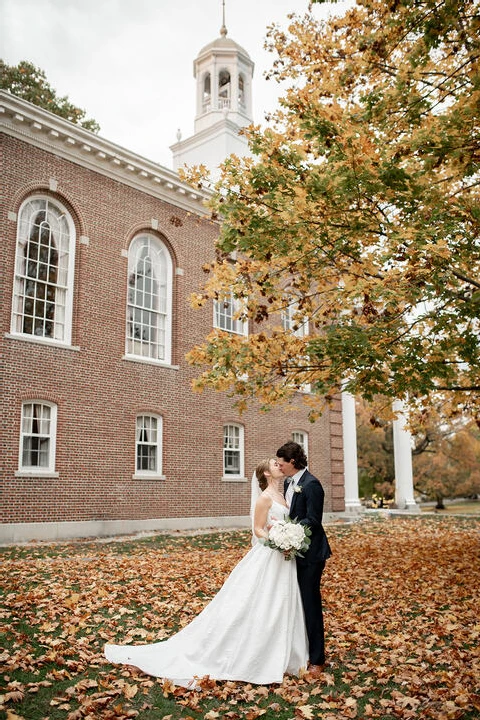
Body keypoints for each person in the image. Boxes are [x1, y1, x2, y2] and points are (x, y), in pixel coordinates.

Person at [104, 458, 308, 687]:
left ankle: (283, 653)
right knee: (259, 603)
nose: (279, 465)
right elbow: (258, 530)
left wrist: (290, 536)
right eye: (274, 464)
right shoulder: (264, 498)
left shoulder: (284, 495)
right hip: (270, 555)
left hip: (285, 559)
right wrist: (276, 541)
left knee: (281, 602)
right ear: (266, 474)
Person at [276, 441, 332, 678]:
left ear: (292, 462)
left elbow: (313, 520)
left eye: (281, 462)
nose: (279, 466)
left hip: (311, 554)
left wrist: (287, 530)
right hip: (292, 551)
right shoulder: (289, 482)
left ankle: (318, 659)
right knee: (294, 602)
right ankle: (298, 649)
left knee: (310, 603)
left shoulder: (312, 485)